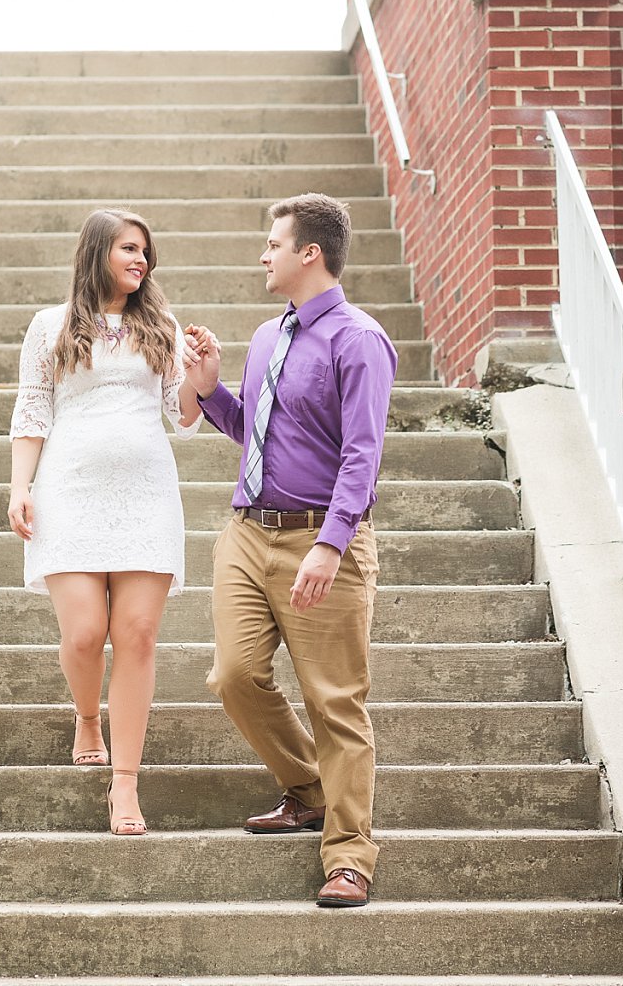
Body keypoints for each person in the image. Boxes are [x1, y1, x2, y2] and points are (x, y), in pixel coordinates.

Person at [184, 192, 396, 909]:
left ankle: (349, 856)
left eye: (273, 244)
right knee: (233, 675)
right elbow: (255, 431)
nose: (263, 255)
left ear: (310, 253)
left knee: (335, 701)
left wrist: (331, 545)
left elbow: (362, 455)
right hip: (248, 533)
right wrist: (210, 391)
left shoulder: (358, 340)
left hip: (321, 537)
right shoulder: (268, 336)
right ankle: (308, 787)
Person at [9, 208, 203, 836]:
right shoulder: (51, 325)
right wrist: (20, 488)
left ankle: (125, 783)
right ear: (97, 252)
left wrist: (203, 376)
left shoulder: (161, 325)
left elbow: (183, 415)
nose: (141, 260)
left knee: (138, 634)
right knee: (86, 634)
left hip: (146, 495)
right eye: (128, 248)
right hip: (69, 492)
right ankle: (88, 716)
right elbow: (33, 409)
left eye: (145, 251)